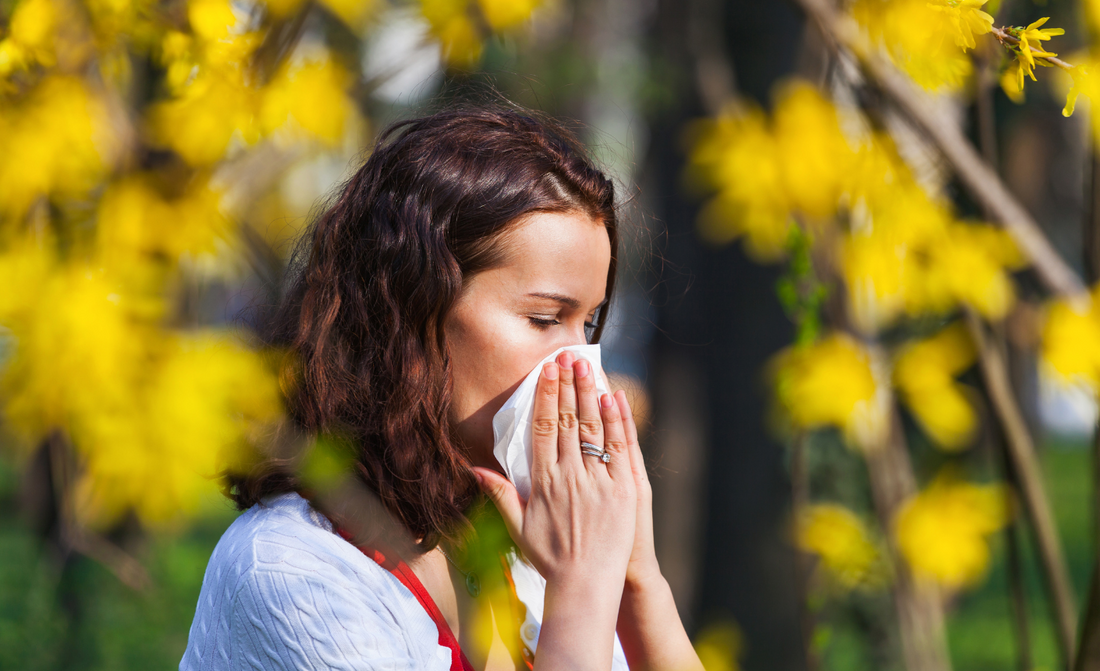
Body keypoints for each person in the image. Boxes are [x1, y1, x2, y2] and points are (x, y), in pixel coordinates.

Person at [179, 104, 703, 671]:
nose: (582, 369)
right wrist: (579, 589)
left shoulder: (522, 539)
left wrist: (634, 581)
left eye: (590, 324)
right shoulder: (294, 573)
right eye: (546, 319)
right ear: (413, 311)